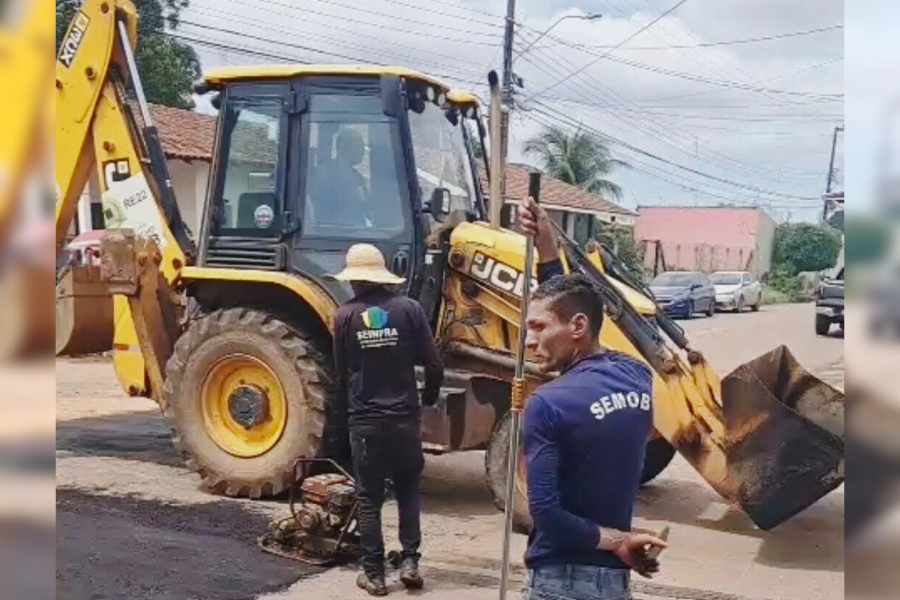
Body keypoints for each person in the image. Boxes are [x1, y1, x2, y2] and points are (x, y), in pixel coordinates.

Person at [517, 196, 668, 600]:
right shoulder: (638, 377)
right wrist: (547, 243)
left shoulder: (547, 404)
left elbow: (547, 515)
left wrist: (618, 540)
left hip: (560, 579)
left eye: (537, 327)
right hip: (613, 583)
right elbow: (565, 301)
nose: (529, 341)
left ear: (579, 326)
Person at [330, 243, 443, 596]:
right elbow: (434, 364)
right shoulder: (410, 310)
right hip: (404, 419)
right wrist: (426, 399)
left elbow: (340, 373)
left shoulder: (344, 316)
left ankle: (375, 575)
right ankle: (409, 563)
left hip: (365, 422)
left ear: (355, 281)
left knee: (369, 498)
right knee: (408, 490)